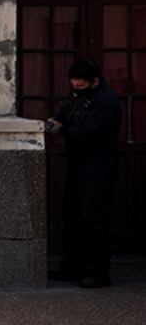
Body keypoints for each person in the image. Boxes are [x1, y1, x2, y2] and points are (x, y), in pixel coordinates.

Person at [46, 58, 122, 289]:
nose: (76, 89)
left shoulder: (107, 102)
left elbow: (89, 133)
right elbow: (65, 109)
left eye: (80, 85)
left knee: (94, 217)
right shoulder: (78, 96)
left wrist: (62, 130)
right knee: (72, 215)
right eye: (74, 85)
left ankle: (98, 272)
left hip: (99, 166)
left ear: (94, 81)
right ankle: (73, 266)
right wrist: (56, 120)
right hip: (79, 164)